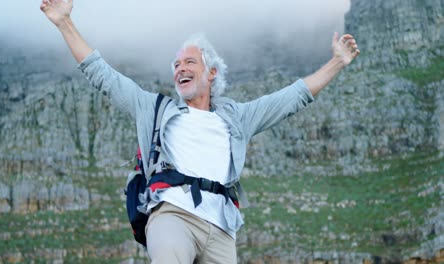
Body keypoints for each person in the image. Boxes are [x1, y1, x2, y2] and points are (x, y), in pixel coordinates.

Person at [40, 0, 360, 263]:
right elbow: (102, 74)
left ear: (211, 72)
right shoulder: (155, 108)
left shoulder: (236, 118)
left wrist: (337, 63)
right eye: (176, 64)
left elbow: (293, 97)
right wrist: (64, 22)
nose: (180, 68)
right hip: (172, 215)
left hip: (222, 227)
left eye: (189, 62)